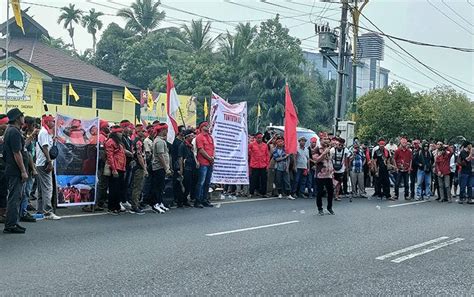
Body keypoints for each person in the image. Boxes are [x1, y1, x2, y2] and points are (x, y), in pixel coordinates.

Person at [3, 108, 29, 233]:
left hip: (13, 169)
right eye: (22, 116)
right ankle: (10, 225)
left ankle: (14, 222)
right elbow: (17, 153)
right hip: (15, 170)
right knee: (14, 197)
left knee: (16, 196)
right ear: (18, 118)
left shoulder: (12, 131)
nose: (24, 118)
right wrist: (23, 171)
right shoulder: (13, 132)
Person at [35, 115, 61, 220]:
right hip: (44, 163)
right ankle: (47, 212)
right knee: (47, 188)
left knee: (42, 189)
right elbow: (45, 148)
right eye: (53, 121)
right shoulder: (44, 132)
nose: (54, 123)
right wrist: (49, 162)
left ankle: (40, 210)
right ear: (48, 122)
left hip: (41, 163)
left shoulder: (45, 132)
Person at [105, 126, 127, 215]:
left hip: (121, 167)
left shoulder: (119, 143)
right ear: (116, 133)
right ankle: (111, 207)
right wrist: (114, 169)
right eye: (120, 132)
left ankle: (117, 206)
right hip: (115, 168)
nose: (121, 134)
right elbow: (110, 156)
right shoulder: (110, 142)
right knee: (113, 189)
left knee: (119, 188)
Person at [151, 123, 171, 213]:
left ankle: (160, 202)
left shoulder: (161, 140)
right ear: (162, 130)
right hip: (159, 167)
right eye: (166, 130)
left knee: (161, 186)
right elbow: (160, 155)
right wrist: (166, 167)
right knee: (158, 187)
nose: (167, 131)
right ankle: (155, 204)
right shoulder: (159, 141)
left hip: (161, 167)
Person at [195, 122, 215, 208]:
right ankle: (198, 200)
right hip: (203, 162)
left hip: (210, 162)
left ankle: (205, 199)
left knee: (207, 182)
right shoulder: (199, 137)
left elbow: (213, 148)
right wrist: (209, 158)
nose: (208, 127)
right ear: (202, 127)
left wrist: (212, 157)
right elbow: (201, 150)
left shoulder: (210, 137)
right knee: (201, 183)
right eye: (207, 126)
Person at [313, 136, 335, 216]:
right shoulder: (316, 149)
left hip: (328, 174)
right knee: (320, 192)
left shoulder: (329, 149)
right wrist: (324, 153)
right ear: (320, 140)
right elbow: (316, 160)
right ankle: (320, 208)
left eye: (327, 139)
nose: (326, 141)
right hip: (320, 175)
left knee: (330, 191)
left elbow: (329, 160)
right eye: (324, 139)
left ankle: (329, 207)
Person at [129, 124, 147, 214]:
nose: (144, 133)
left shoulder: (138, 141)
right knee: (137, 187)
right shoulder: (138, 142)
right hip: (138, 166)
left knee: (138, 186)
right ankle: (134, 206)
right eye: (142, 131)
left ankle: (136, 203)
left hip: (138, 166)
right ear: (138, 132)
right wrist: (144, 168)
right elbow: (139, 156)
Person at [178, 129, 196, 208]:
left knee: (189, 185)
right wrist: (181, 169)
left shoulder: (190, 146)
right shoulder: (182, 145)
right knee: (185, 185)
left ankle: (185, 200)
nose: (193, 137)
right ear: (187, 137)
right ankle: (181, 201)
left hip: (191, 167)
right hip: (186, 168)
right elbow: (180, 158)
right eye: (191, 136)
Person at [248, 132, 270, 198]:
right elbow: (247, 152)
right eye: (258, 138)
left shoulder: (265, 145)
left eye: (260, 138)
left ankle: (263, 193)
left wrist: (267, 165)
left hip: (263, 165)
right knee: (253, 180)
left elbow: (267, 155)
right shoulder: (251, 145)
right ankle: (251, 192)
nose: (259, 139)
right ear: (255, 138)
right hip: (254, 165)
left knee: (264, 180)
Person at [171, 125, 185, 207]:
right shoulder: (176, 142)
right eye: (182, 131)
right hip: (177, 165)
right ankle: (176, 199)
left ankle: (182, 199)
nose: (184, 133)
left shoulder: (184, 141)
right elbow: (175, 156)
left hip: (183, 164)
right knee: (177, 183)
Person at [0, 114, 9, 224]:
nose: (7, 126)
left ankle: (2, 214)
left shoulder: (6, 137)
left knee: (3, 193)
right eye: (5, 124)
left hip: (4, 169)